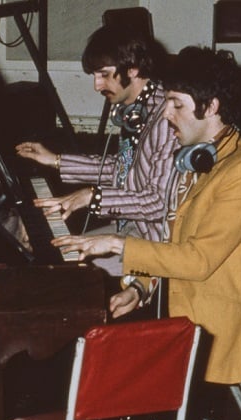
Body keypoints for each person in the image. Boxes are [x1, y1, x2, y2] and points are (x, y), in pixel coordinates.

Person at [52, 46, 241, 420]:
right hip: (177, 301)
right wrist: (139, 287)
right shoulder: (201, 156)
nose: (166, 114)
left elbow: (197, 259)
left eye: (176, 104)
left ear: (210, 107)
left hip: (212, 321)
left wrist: (118, 242)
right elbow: (176, 240)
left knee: (96, 359)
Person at [15, 25, 179, 276]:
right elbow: (122, 169)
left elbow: (158, 203)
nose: (96, 85)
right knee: (49, 249)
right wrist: (56, 160)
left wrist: (92, 197)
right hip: (128, 228)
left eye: (104, 74)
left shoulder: (165, 120)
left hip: (152, 243)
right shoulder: (135, 110)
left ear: (132, 69)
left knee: (63, 276)